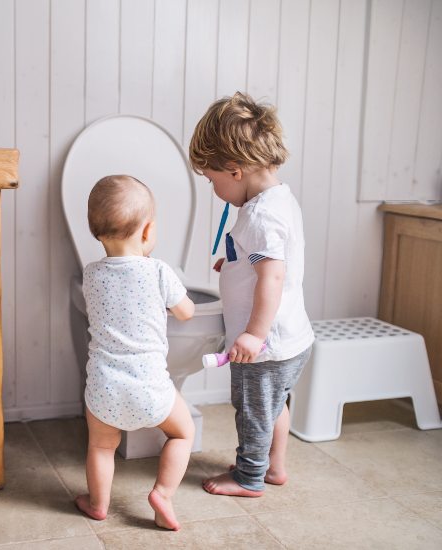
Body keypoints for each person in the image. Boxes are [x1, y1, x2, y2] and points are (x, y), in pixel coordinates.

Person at [188, 92, 314, 497]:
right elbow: (273, 261)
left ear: (235, 170)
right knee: (274, 405)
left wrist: (253, 334)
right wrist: (237, 262)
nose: (213, 189)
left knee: (254, 412)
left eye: (212, 180)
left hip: (265, 343)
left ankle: (249, 477)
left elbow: (272, 277)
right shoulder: (277, 200)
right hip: (291, 338)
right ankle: (274, 467)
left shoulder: (260, 215)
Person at [75, 174, 196, 530]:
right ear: (147, 232)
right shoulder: (159, 271)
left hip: (104, 389)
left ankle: (98, 504)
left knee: (100, 447)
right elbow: (187, 312)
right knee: (182, 433)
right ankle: (162, 493)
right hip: (150, 387)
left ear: (96, 232)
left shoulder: (91, 274)